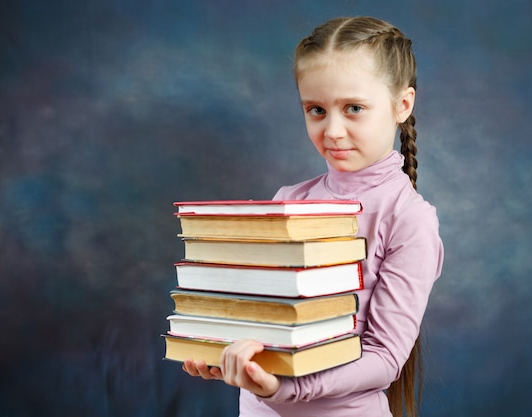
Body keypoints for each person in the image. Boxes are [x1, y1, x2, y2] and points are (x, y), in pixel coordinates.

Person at [181, 16, 444, 417]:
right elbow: (264, 319)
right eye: (316, 110)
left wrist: (286, 387)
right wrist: (227, 354)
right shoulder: (288, 200)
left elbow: (384, 358)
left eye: (354, 108)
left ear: (402, 105)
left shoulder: (409, 219)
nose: (333, 130)